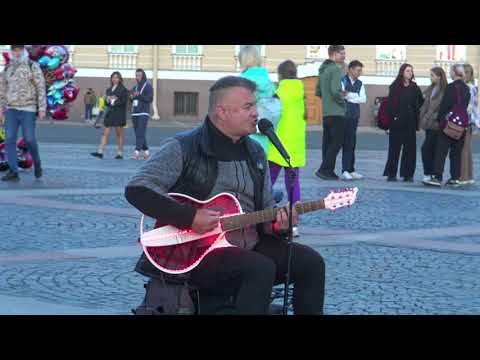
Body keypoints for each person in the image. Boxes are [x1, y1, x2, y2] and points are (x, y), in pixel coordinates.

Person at [125, 76, 325, 315]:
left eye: (255, 106)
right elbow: (137, 189)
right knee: (258, 269)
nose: (256, 113)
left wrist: (279, 223)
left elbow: (266, 207)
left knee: (311, 262)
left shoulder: (256, 152)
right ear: (221, 111)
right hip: (197, 252)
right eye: (248, 107)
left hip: (248, 243)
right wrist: (190, 217)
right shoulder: (185, 147)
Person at [268, 60, 307, 238]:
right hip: (295, 145)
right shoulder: (301, 92)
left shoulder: (278, 92)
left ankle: (261, 216)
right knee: (293, 185)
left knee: (267, 182)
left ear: (280, 74)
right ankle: (294, 223)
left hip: (278, 144)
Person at [0, 45, 46, 182]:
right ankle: (14, 171)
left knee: (29, 139)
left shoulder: (33, 65)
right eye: (14, 50)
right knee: (9, 139)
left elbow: (40, 86)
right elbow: (2, 90)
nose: (17, 52)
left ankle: (37, 163)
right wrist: (1, 109)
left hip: (28, 108)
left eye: (19, 49)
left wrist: (42, 108)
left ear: (24, 50)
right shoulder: (8, 69)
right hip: (11, 109)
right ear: (11, 52)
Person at [424, 64, 471, 187]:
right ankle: (455, 178)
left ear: (454, 73)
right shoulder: (466, 88)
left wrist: (440, 120)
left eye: (451, 72)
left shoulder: (450, 87)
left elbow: (445, 105)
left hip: (449, 124)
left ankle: (437, 177)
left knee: (441, 151)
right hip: (461, 124)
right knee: (456, 152)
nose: (450, 73)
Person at [383, 63, 424, 182]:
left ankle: (408, 174)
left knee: (410, 149)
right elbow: (390, 105)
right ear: (402, 72)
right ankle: (391, 174)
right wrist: (391, 121)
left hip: (410, 122)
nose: (410, 73)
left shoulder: (415, 87)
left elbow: (421, 101)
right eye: (407, 71)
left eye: (411, 71)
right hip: (396, 122)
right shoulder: (395, 86)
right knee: (394, 149)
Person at [315, 45, 347, 180]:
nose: (344, 56)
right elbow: (335, 91)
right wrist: (342, 101)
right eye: (342, 53)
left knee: (328, 143)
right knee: (337, 143)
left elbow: (318, 91)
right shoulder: (335, 69)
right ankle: (324, 169)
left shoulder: (323, 70)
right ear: (334, 54)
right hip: (336, 112)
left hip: (326, 112)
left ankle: (329, 171)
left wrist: (328, 100)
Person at [238, 45, 278, 154]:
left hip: (245, 138)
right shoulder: (268, 82)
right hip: (264, 136)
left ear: (243, 60)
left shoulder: (241, 82)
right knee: (260, 168)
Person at [419, 67, 448, 183]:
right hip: (428, 123)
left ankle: (433, 175)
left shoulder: (445, 90)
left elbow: (443, 107)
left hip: (437, 124)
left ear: (439, 76)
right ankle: (429, 173)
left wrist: (431, 117)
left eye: (432, 75)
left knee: (431, 149)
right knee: (428, 149)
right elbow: (426, 104)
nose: (430, 77)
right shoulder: (431, 88)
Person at [91, 72, 128, 160]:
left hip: (119, 114)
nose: (115, 79)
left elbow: (123, 102)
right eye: (113, 77)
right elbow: (106, 103)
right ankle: (100, 152)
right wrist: (107, 99)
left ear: (120, 79)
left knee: (119, 134)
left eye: (116, 77)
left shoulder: (123, 89)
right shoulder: (109, 89)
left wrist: (114, 100)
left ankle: (120, 153)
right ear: (111, 79)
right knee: (105, 133)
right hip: (110, 113)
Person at [341, 60, 367, 180]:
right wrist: (354, 96)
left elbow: (363, 99)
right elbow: (342, 95)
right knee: (345, 142)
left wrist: (350, 95)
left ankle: (351, 169)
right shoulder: (343, 80)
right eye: (358, 70)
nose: (359, 72)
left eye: (360, 70)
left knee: (352, 142)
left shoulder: (360, 83)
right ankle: (345, 170)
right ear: (350, 69)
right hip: (343, 115)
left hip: (354, 116)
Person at [459, 63, 478, 185]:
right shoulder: (473, 87)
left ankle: (463, 176)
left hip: (466, 120)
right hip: (470, 120)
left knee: (463, 149)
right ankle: (469, 175)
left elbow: (470, 106)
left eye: (464, 73)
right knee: (467, 149)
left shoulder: (468, 87)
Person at [130, 69, 153, 160]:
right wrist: (131, 97)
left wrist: (139, 95)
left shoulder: (148, 86)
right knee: (139, 134)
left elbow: (150, 99)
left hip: (143, 112)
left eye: (139, 75)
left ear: (143, 76)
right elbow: (132, 99)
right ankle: (147, 153)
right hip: (135, 113)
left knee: (140, 132)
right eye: (136, 75)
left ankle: (136, 152)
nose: (138, 77)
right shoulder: (135, 87)